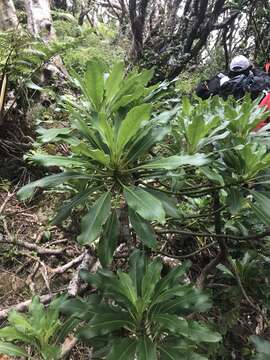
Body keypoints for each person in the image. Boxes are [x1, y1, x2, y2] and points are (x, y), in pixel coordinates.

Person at [196, 55, 270, 100]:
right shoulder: (255, 79)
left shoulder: (221, 78)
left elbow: (203, 93)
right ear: (249, 68)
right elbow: (267, 80)